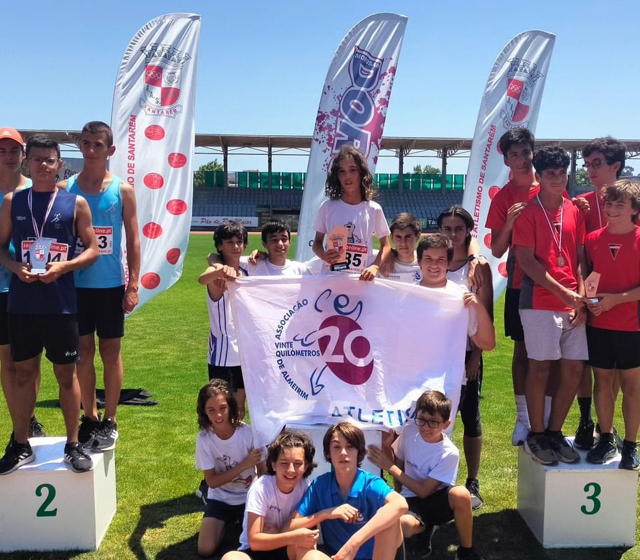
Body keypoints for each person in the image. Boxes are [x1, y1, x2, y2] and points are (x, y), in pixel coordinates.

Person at [0, 134, 99, 474]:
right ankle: (20, 443)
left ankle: (73, 444)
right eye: (37, 158)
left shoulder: (75, 203)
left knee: (66, 376)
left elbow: (92, 249)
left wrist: (65, 266)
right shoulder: (12, 201)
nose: (43, 165)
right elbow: (1, 247)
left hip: (61, 305)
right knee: (24, 374)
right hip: (22, 303)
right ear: (27, 162)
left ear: (59, 164)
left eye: (49, 159)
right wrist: (15, 267)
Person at [58, 121, 140, 452]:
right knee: (83, 353)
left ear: (110, 150)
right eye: (87, 143)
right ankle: (90, 416)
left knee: (110, 352)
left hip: (109, 285)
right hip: (74, 285)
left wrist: (133, 284)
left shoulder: (122, 190)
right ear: (79, 145)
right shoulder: (64, 189)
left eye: (98, 145)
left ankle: (111, 419)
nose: (91, 150)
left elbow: (133, 240)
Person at [513, 145, 588, 466]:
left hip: (572, 303)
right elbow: (528, 262)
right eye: (550, 174)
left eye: (561, 173)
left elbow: (580, 259)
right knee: (540, 367)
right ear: (539, 176)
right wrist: (565, 294)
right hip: (539, 302)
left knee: (573, 369)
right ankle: (537, 433)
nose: (557, 179)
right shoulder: (528, 213)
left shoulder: (574, 210)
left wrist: (580, 298)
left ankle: (555, 432)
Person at [368, 390, 484, 560]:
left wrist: (390, 467)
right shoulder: (409, 431)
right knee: (404, 525)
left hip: (438, 500)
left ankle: (466, 550)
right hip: (411, 499)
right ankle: (424, 530)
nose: (425, 427)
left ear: (446, 424)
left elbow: (423, 491)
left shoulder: (449, 452)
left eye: (433, 422)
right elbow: (400, 462)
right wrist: (399, 493)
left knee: (461, 494)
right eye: (421, 419)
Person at [485, 128, 541, 446]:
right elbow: (496, 249)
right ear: (506, 160)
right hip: (521, 282)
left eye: (525, 153)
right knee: (522, 351)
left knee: (551, 356)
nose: (521, 160)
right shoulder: (504, 197)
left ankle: (546, 422)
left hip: (554, 282)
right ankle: (523, 419)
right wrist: (508, 223)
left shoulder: (551, 186)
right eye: (514, 155)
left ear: (533, 154)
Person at [573, 137, 627, 450]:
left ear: (615, 165)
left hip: (622, 295)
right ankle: (585, 419)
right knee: (583, 360)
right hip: (588, 292)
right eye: (587, 164)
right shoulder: (581, 203)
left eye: (597, 164)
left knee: (614, 367)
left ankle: (606, 426)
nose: (591, 170)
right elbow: (579, 253)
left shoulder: (632, 202)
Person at [438, 206, 493, 510]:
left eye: (459, 229)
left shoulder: (478, 267)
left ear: (468, 231)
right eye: (447, 229)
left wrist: (475, 358)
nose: (453, 234)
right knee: (434, 414)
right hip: (436, 352)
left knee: (470, 416)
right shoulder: (433, 260)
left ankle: (473, 480)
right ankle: (435, 478)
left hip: (468, 352)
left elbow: (485, 316)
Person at [288, 422, 408, 560]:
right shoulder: (320, 485)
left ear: (359, 452)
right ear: (328, 453)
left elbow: (400, 504)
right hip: (337, 557)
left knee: (391, 519)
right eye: (336, 447)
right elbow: (290, 526)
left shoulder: (370, 483)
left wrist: (354, 543)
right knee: (310, 555)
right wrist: (327, 513)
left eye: (350, 446)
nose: (343, 453)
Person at [583, 180, 640, 470]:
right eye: (609, 203)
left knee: (632, 387)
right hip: (599, 324)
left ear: (634, 210)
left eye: (620, 204)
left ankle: (630, 445)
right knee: (602, 382)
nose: (612, 209)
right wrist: (590, 301)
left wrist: (617, 300)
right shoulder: (592, 239)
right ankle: (606, 438)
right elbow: (588, 279)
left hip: (633, 326)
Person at [0, 127, 45, 443]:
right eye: (2, 151)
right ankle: (20, 422)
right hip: (1, 288)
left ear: (23, 154)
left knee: (30, 359)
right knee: (7, 360)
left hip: (31, 286)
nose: (8, 156)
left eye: (13, 150)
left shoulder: (36, 188)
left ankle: (28, 419)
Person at [222, 430, 319, 560]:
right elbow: (255, 542)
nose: (291, 470)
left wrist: (279, 534)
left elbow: (309, 534)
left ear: (306, 466)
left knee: (307, 547)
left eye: (297, 464)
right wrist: (292, 536)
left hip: (287, 548)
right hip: (254, 552)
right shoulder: (261, 488)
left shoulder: (307, 488)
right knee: (230, 557)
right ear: (273, 465)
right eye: (284, 463)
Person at [196, 379, 266, 557]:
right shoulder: (204, 438)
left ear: (230, 407)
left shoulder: (248, 433)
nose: (218, 415)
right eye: (211, 410)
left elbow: (263, 473)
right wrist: (244, 465)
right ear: (204, 412)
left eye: (223, 408)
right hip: (220, 497)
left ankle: (237, 520)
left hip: (248, 497)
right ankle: (226, 522)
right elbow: (212, 482)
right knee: (205, 549)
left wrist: (262, 500)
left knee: (257, 545)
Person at [312, 145, 391, 281]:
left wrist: (375, 266)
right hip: (331, 279)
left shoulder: (374, 209)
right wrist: (324, 255)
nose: (347, 176)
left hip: (361, 281)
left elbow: (386, 245)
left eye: (353, 170)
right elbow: (317, 244)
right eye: (342, 171)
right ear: (337, 176)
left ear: (361, 174)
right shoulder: (327, 207)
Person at [198, 221, 250, 416]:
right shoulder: (217, 274)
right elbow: (203, 279)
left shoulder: (247, 269)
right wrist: (219, 270)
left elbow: (211, 256)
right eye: (230, 242)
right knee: (222, 408)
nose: (236, 246)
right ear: (220, 246)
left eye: (239, 242)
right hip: (223, 353)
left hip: (246, 351)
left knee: (240, 407)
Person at [416, 234, 495, 354]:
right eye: (428, 259)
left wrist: (480, 308)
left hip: (449, 366)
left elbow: (487, 344)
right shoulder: (407, 294)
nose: (434, 265)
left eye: (441, 260)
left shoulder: (461, 297)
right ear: (419, 262)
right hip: (414, 365)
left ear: (449, 263)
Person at [246, 220, 310, 276]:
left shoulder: (301, 271)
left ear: (289, 242)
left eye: (284, 239)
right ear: (264, 244)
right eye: (274, 240)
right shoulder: (252, 266)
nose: (280, 244)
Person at [379, 213, 421, 283]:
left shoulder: (426, 264)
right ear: (392, 238)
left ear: (417, 237)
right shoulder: (380, 262)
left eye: (408, 237)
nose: (403, 243)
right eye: (398, 237)